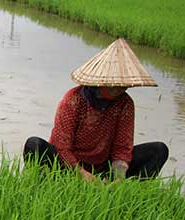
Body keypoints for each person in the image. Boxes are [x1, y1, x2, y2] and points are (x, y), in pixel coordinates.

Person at [23, 38, 168, 181]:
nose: (121, 89)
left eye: (124, 85)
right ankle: (40, 185)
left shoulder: (125, 103)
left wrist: (118, 178)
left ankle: (124, 192)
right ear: (100, 82)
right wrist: (83, 175)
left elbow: (122, 148)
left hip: (102, 167)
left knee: (158, 150)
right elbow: (61, 147)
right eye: (115, 85)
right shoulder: (74, 100)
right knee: (33, 144)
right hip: (66, 165)